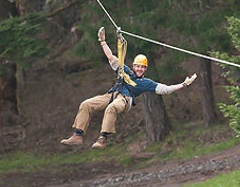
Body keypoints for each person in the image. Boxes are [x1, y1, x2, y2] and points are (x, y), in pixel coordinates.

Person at [60, 27, 197, 149]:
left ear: (145, 69)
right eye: (138, 66)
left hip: (125, 99)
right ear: (134, 66)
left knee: (111, 108)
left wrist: (183, 84)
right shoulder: (124, 71)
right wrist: (102, 41)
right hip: (112, 94)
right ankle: (78, 135)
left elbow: (165, 89)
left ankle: (103, 138)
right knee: (86, 104)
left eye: (142, 67)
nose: (140, 69)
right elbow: (111, 57)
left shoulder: (145, 83)